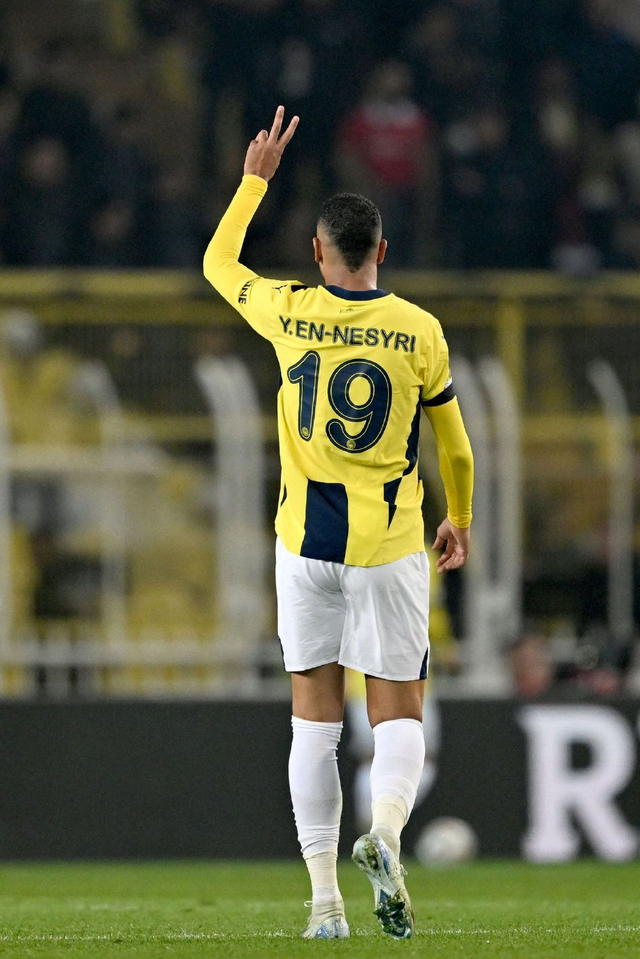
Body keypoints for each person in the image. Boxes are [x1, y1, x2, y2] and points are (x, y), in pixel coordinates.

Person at [203, 106, 473, 940]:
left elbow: (217, 263)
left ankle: (325, 904)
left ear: (318, 253)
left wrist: (254, 181)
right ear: (381, 252)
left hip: (302, 547)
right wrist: (459, 518)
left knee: (312, 725)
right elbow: (457, 447)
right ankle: (385, 832)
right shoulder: (418, 330)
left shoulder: (286, 310)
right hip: (388, 548)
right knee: (398, 714)